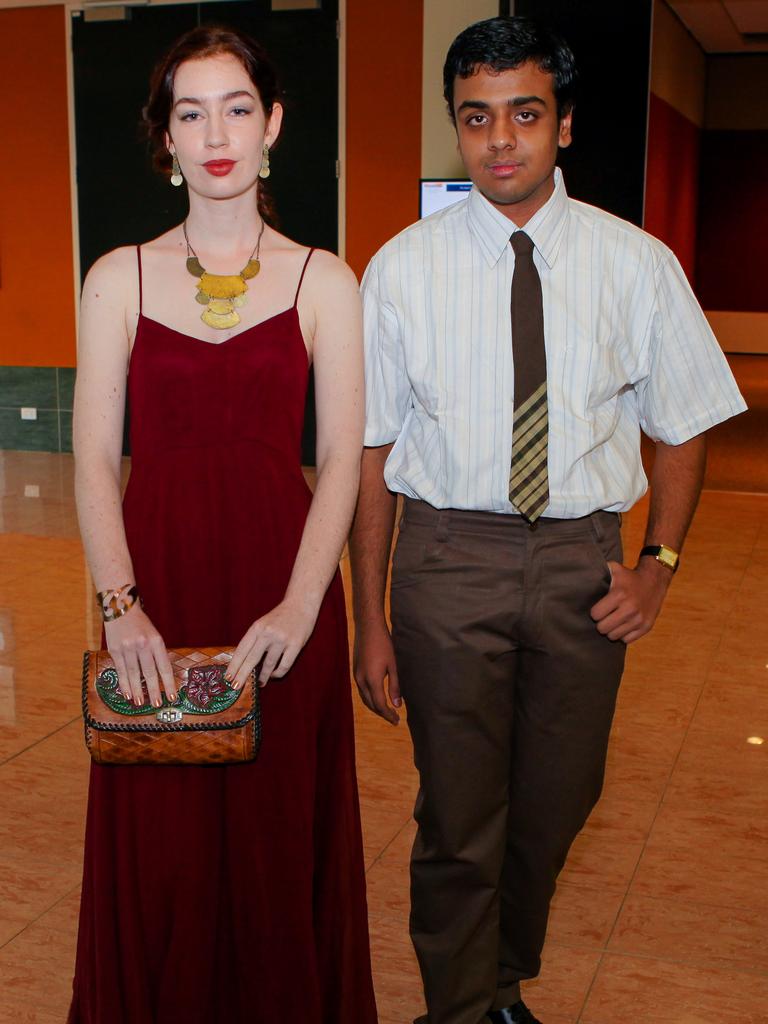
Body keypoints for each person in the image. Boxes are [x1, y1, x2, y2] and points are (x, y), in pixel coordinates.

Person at [350, 15, 745, 1024]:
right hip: (446, 561)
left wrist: (657, 560)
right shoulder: (402, 269)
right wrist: (371, 616)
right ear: (457, 126)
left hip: (581, 562)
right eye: (476, 118)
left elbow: (687, 423)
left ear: (563, 124)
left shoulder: (638, 264)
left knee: (557, 802)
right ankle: (461, 1009)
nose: (500, 140)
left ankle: (501, 976)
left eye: (524, 114)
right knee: (458, 814)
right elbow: (372, 452)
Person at [69, 25, 377, 1024]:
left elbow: (341, 458)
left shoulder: (324, 280)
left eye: (236, 107)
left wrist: (300, 607)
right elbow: (89, 456)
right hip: (154, 594)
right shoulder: (117, 276)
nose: (216, 132)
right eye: (189, 111)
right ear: (166, 136)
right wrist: (122, 608)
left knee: (276, 846)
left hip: (281, 602)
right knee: (161, 851)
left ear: (272, 123)